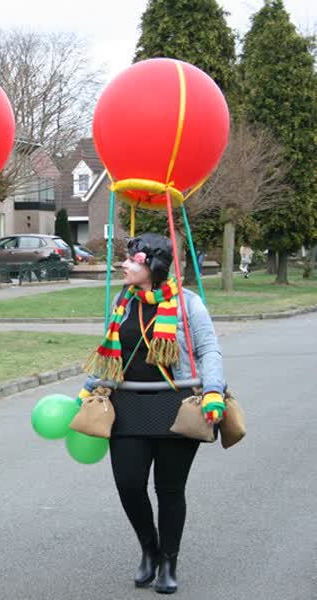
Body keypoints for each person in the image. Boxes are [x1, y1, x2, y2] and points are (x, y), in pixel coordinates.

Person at [79, 233, 225, 595]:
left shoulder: (188, 304)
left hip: (176, 405)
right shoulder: (123, 301)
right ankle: (149, 549)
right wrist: (88, 386)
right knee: (129, 485)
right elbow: (111, 349)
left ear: (153, 266)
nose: (124, 264)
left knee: (170, 489)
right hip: (128, 405)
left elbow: (209, 350)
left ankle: (169, 561)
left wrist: (213, 391)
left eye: (132, 260)